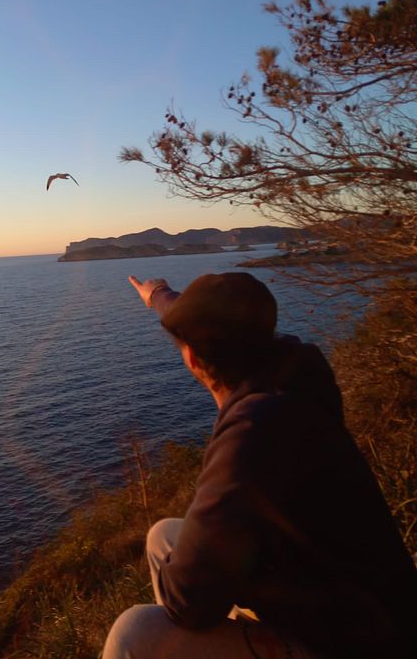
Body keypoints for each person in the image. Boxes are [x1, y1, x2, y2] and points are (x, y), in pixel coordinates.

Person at [102, 272, 417, 659]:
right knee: (163, 535)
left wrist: (189, 574)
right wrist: (159, 296)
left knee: (135, 633)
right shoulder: (299, 374)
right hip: (367, 602)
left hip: (348, 643)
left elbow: (189, 603)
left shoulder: (251, 438)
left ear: (193, 358)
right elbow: (215, 319)